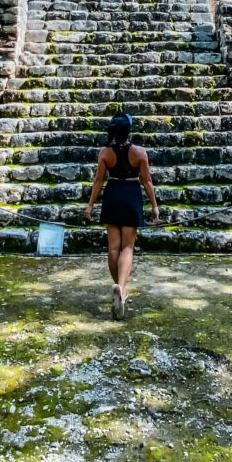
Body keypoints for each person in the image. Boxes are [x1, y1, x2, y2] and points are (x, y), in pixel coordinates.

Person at [84, 112, 159, 320]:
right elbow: (147, 181)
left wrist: (90, 206)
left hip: (113, 194)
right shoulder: (139, 152)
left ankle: (119, 288)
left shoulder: (105, 152)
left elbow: (98, 181)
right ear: (129, 130)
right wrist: (154, 206)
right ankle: (122, 290)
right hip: (131, 194)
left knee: (113, 247)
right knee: (128, 246)